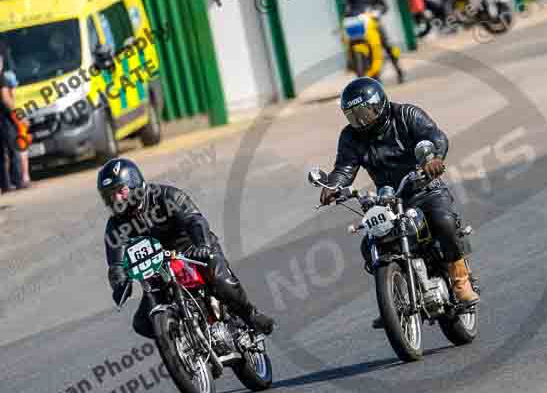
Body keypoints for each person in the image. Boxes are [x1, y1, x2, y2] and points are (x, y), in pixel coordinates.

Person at [320, 77, 479, 328]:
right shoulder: (351, 136)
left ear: (379, 104)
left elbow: (434, 136)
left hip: (424, 188)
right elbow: (345, 167)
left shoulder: (406, 115)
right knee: (370, 243)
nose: (360, 121)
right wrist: (334, 186)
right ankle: (393, 299)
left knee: (444, 222)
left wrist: (433, 158)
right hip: (388, 198)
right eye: (353, 116)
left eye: (364, 113)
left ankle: (460, 282)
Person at [98, 158, 276, 339]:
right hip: (158, 268)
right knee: (142, 324)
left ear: (135, 185)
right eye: (110, 195)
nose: (116, 199)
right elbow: (116, 263)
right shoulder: (115, 225)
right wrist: (120, 282)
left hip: (191, 250)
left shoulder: (166, 196)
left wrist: (203, 246)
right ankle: (185, 345)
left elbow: (194, 220)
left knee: (219, 278)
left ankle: (251, 316)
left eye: (121, 191)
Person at [344, 0, 405, 84]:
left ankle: (399, 70)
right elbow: (346, 9)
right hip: (358, 25)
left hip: (374, 23)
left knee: (387, 45)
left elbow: (384, 5)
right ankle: (353, 65)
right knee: (348, 44)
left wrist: (377, 11)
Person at [0, 42, 24, 194]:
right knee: (13, 149)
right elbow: (6, 99)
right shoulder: (2, 78)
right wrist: (18, 114)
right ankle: (17, 181)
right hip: (5, 120)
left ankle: (5, 184)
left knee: (1, 154)